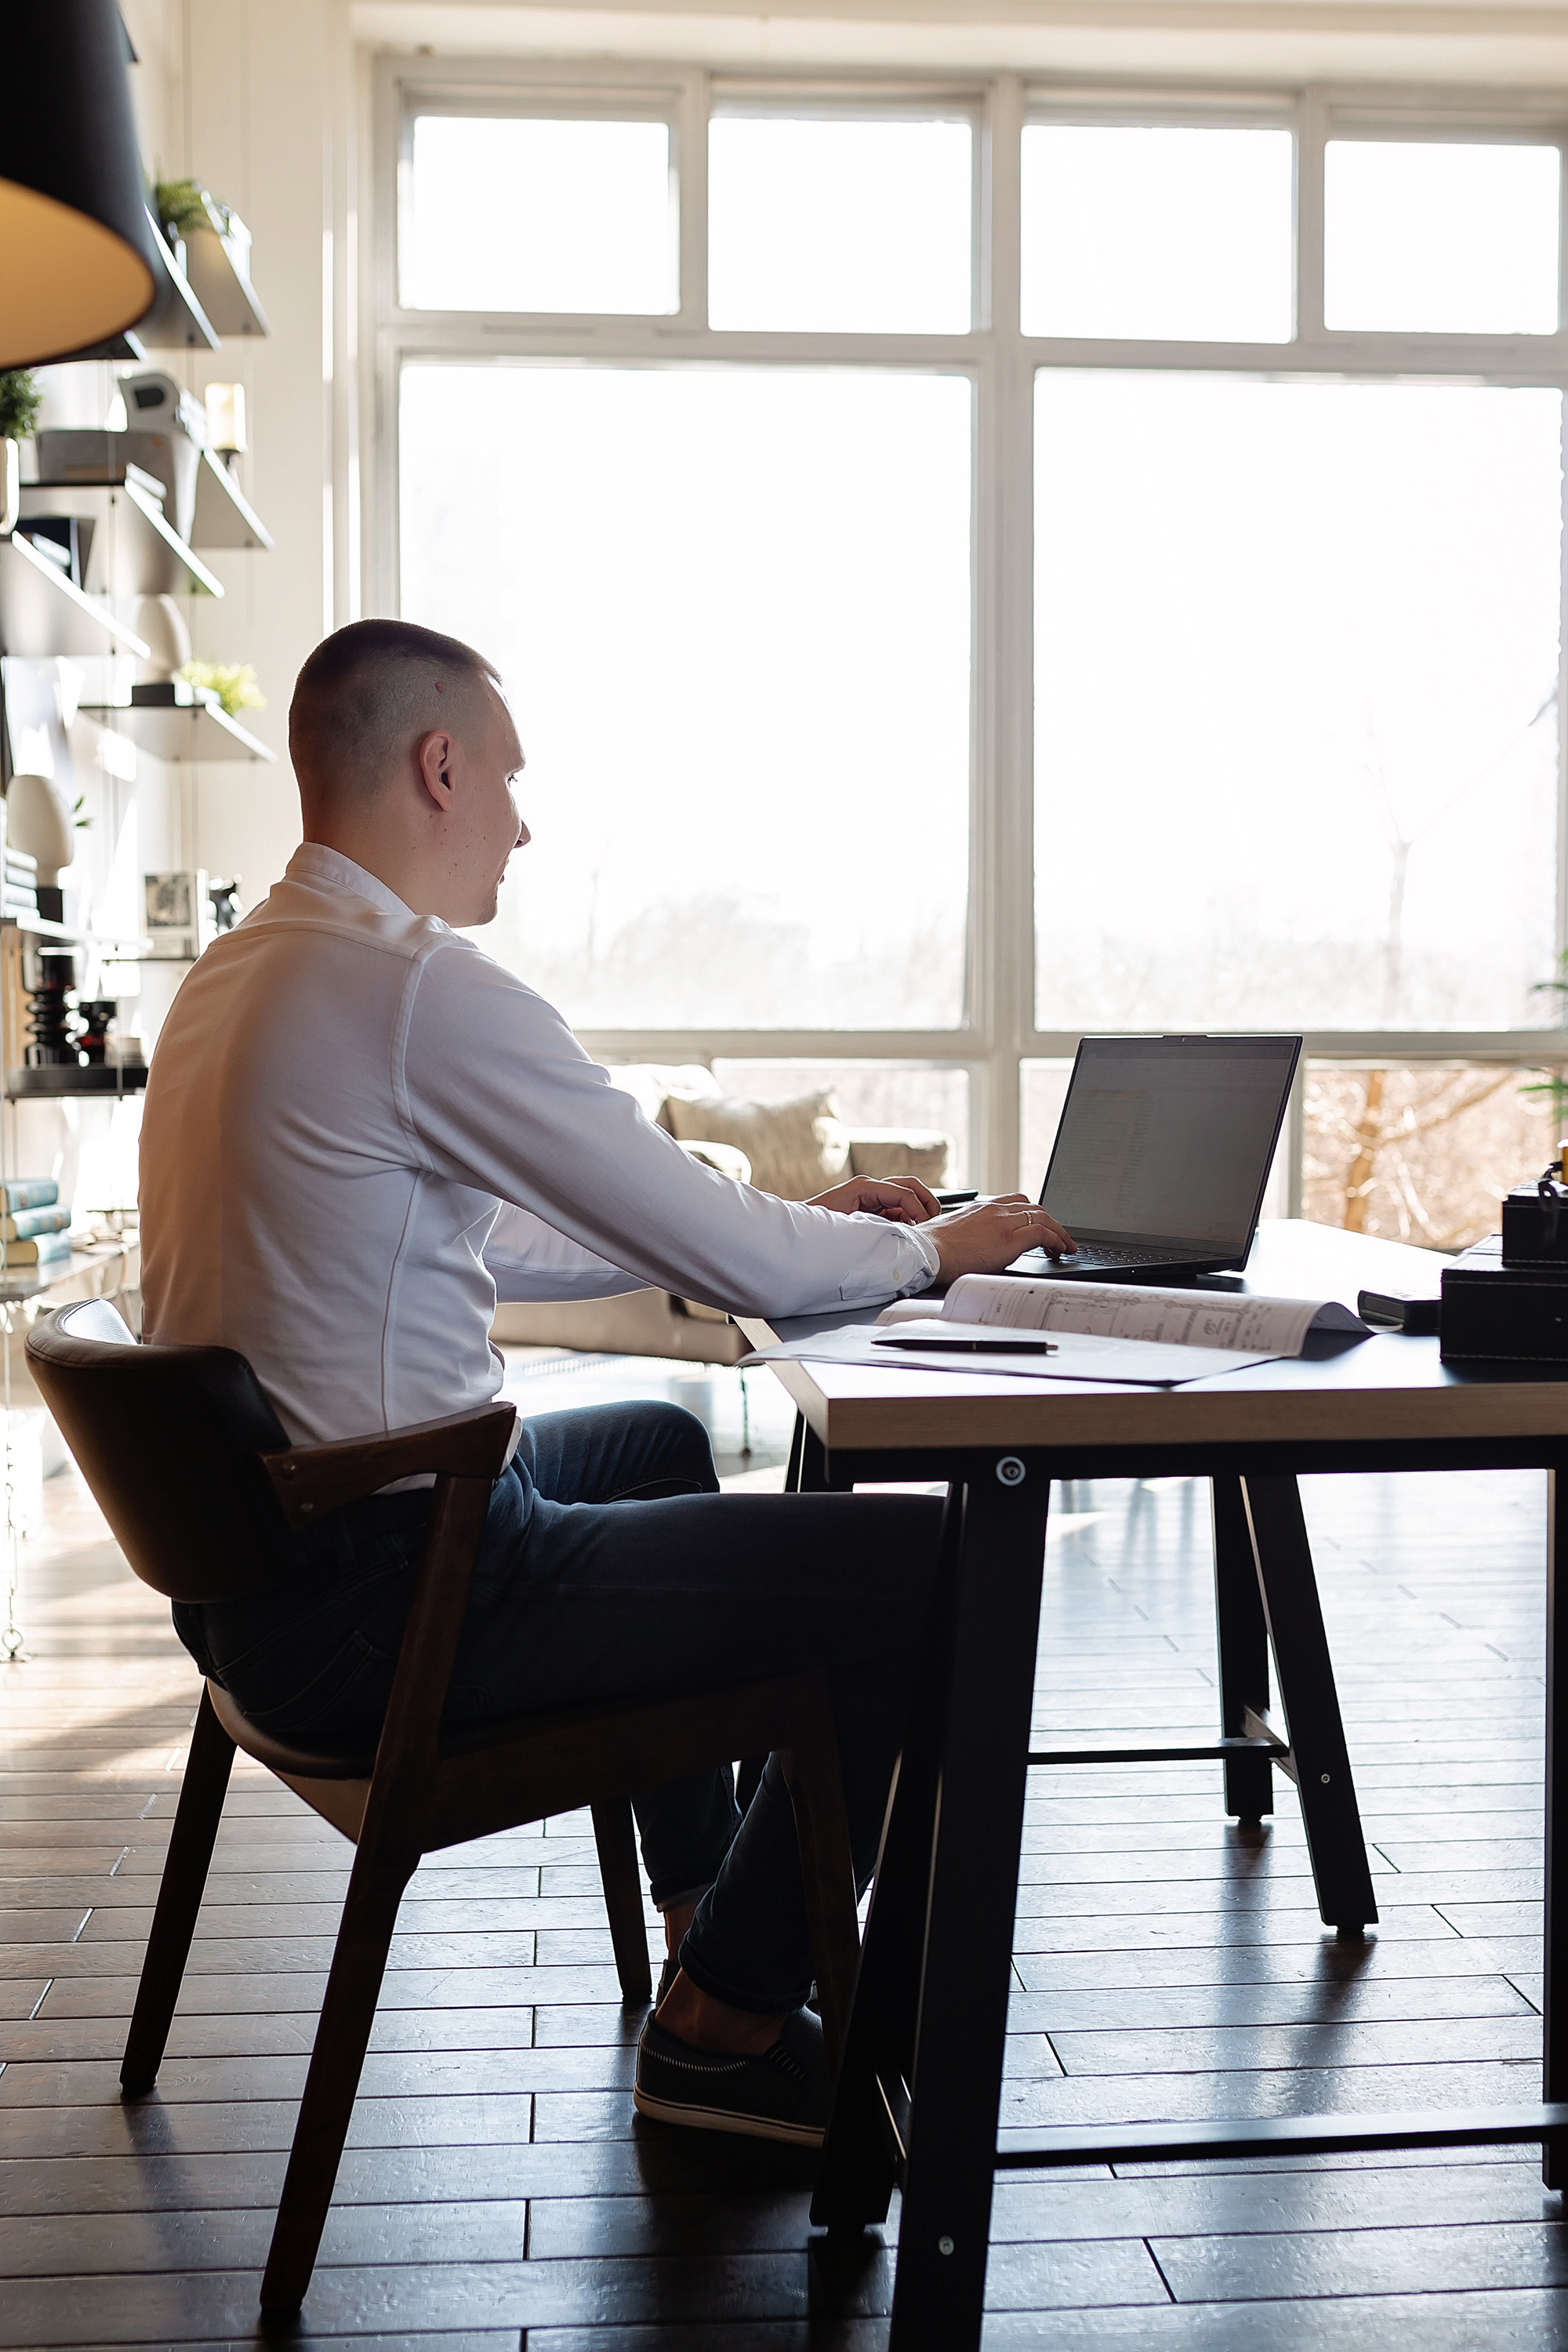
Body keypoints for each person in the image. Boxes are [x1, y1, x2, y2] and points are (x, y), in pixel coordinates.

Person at [139, 618, 1075, 2147]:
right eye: (508, 777)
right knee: (951, 1564)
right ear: (438, 766)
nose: (522, 817)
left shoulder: (240, 977)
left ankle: (711, 1909)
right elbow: (728, 1253)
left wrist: (772, 1235)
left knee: (643, 1440)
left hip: (263, 1589)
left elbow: (495, 1235)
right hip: (397, 1601)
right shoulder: (415, 989)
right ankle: (723, 2029)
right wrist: (940, 1245)